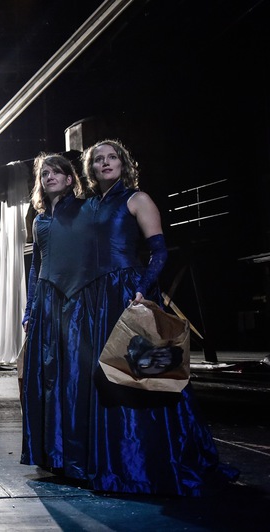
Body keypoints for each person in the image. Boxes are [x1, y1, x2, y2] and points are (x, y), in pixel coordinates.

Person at [80, 139, 233, 495]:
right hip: (96, 298)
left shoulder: (138, 199)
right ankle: (117, 461)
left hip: (128, 292)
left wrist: (142, 288)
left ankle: (151, 461)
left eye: (112, 157)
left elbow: (159, 253)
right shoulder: (90, 206)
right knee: (108, 377)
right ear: (91, 169)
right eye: (99, 159)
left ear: (123, 163)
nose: (106, 163)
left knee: (143, 373)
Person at [20, 153, 92, 479]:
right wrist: (29, 310)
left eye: (56, 172)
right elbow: (36, 267)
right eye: (44, 173)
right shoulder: (38, 221)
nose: (49, 177)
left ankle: (78, 454)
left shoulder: (84, 211)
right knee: (48, 378)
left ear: (69, 178)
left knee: (74, 377)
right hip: (46, 305)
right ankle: (54, 453)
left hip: (75, 302)